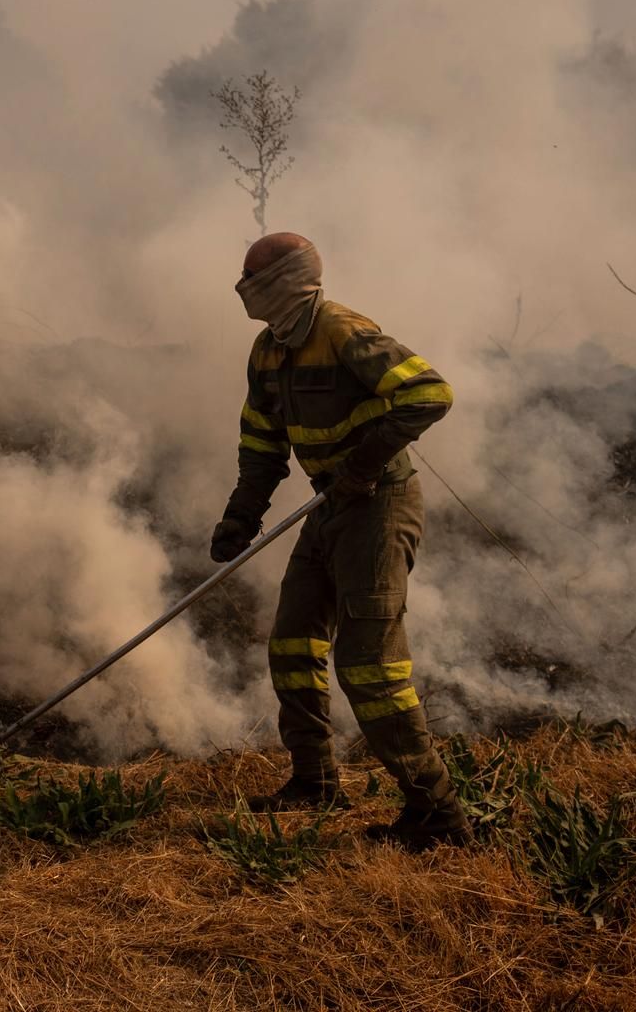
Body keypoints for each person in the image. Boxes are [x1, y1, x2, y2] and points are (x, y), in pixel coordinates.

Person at [211, 232, 471, 851]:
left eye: (253, 273)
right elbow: (262, 443)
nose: (242, 284)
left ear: (288, 278)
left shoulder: (342, 329)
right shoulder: (268, 349)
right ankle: (315, 780)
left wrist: (368, 459)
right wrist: (240, 517)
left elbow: (429, 392)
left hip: (377, 504)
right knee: (293, 645)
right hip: (328, 504)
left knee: (371, 667)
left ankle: (437, 814)